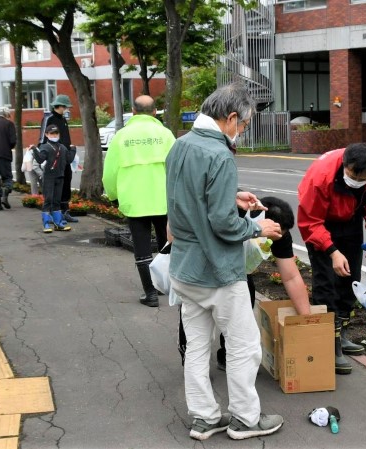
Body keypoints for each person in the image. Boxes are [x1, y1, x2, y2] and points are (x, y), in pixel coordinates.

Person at [166, 83, 285, 441]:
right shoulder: (220, 155)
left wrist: (232, 196)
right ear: (231, 117)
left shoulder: (180, 145)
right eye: (244, 125)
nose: (243, 132)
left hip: (185, 268)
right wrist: (257, 226)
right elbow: (223, 223)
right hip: (218, 270)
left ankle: (203, 418)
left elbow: (190, 197)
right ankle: (246, 419)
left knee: (198, 347)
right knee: (244, 346)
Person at [177, 195, 312, 370]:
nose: (275, 239)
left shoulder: (279, 233)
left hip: (238, 272)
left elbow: (291, 276)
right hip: (201, 267)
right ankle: (191, 360)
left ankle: (229, 356)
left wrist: (308, 322)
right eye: (273, 233)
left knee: (242, 312)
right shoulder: (231, 212)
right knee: (197, 322)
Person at [297, 142, 366, 375]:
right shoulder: (321, 176)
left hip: (351, 219)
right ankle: (328, 343)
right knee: (326, 282)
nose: (355, 180)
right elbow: (310, 221)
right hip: (321, 222)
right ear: (344, 165)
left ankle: (342, 334)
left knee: (350, 279)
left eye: (362, 178)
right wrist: (332, 251)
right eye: (351, 175)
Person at [102, 95, 175, 307]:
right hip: (164, 201)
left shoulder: (121, 137)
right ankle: (168, 288)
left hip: (134, 201)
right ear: (155, 112)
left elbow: (110, 173)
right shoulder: (166, 135)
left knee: (142, 248)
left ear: (133, 111)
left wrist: (114, 196)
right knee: (167, 244)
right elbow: (177, 168)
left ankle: (150, 293)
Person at [30, 125, 76, 232]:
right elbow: (40, 159)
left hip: (60, 177)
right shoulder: (45, 147)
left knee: (57, 201)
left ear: (59, 135)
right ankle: (46, 224)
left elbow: (69, 159)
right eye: (51, 134)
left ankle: (58, 223)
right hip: (49, 177)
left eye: (56, 133)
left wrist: (73, 149)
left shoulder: (63, 147)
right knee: (48, 200)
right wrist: (34, 150)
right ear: (46, 135)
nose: (54, 136)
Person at [41, 94, 79, 223]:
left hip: (65, 155)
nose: (68, 109)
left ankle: (65, 211)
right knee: (54, 186)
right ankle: (53, 214)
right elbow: (42, 138)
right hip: (53, 157)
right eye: (66, 107)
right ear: (60, 106)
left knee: (66, 182)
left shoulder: (63, 119)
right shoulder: (49, 118)